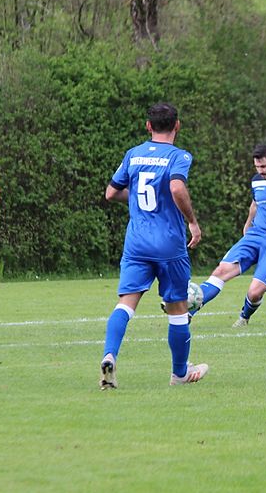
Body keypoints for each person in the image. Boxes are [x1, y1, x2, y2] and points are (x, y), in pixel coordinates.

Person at [99, 102, 208, 390]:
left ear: (148, 126)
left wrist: (136, 197)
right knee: (177, 308)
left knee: (126, 304)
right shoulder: (179, 156)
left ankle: (109, 355)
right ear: (177, 125)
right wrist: (192, 222)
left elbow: (111, 193)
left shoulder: (133, 155)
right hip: (169, 244)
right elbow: (176, 187)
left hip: (137, 243)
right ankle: (179, 373)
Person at [186, 144, 266, 328]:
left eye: (263, 166)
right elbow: (255, 204)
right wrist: (247, 225)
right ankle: (189, 312)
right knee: (221, 271)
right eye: (257, 167)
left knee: (255, 293)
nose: (260, 171)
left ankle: (244, 317)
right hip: (255, 235)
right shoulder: (257, 181)